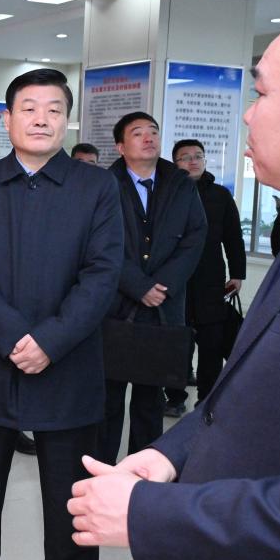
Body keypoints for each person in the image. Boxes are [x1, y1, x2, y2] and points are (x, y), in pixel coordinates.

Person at [68, 0, 280, 560]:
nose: (247, 115)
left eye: (262, 93)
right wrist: (171, 455)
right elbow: (248, 399)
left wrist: (153, 516)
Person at [0, 68, 123, 560]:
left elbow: (103, 273)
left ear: (67, 120)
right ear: (8, 119)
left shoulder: (96, 186)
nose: (41, 119)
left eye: (53, 109)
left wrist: (51, 341)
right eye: (29, 108)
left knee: (71, 518)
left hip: (69, 371)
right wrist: (13, 336)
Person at [97, 111, 206, 464]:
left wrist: (164, 284)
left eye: (153, 132)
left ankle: (140, 471)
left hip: (163, 305)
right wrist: (138, 285)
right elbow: (97, 242)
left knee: (149, 399)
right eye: (137, 133)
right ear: (120, 146)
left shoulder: (180, 183)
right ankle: (101, 471)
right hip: (114, 305)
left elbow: (195, 236)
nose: (148, 138)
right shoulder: (103, 183)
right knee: (107, 397)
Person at [165, 139, 246, 413]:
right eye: (185, 157)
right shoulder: (167, 193)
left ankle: (206, 400)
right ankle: (175, 398)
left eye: (198, 156)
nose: (193, 161)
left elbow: (233, 237)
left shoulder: (220, 195)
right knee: (177, 341)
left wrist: (238, 273)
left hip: (211, 280)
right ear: (175, 163)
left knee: (211, 342)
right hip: (175, 280)